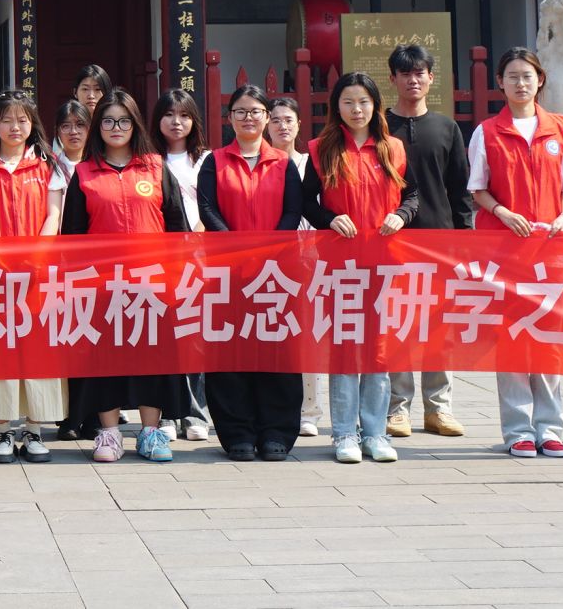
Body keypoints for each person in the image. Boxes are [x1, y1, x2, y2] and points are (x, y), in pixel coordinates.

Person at [62, 89, 193, 464]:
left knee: (152, 358)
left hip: (152, 284)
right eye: (107, 121)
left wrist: (176, 276)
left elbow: (177, 225)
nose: (116, 127)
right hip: (102, 286)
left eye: (123, 120)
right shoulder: (84, 173)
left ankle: (150, 433)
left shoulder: (155, 167)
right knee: (104, 361)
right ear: (98, 127)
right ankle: (109, 433)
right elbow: (72, 236)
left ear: (135, 124)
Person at [468, 46, 563, 458]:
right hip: (505, 250)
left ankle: (549, 427)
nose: (521, 83)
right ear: (500, 82)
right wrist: (502, 213)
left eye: (528, 76)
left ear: (540, 81)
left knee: (549, 338)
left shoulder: (561, 128)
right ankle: (517, 429)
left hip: (551, 250)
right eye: (513, 76)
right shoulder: (487, 132)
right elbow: (477, 189)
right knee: (512, 338)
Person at [197, 87, 315, 462]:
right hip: (227, 272)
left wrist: (269, 250)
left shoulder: (283, 163)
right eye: (240, 111)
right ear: (229, 117)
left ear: (266, 117)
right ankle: (237, 433)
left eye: (255, 111)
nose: (248, 118)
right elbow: (207, 208)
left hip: (275, 273)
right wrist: (235, 247)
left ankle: (276, 432)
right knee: (230, 354)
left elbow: (292, 210)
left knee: (276, 352)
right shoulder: (215, 161)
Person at [311, 71, 419, 465]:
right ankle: (343, 433)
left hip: (384, 264)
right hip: (340, 267)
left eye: (363, 102)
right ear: (336, 107)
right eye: (348, 102)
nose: (356, 110)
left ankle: (374, 432)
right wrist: (328, 218)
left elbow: (413, 194)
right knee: (344, 351)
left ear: (375, 105)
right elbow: (306, 201)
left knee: (378, 350)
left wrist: (401, 215)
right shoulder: (321, 149)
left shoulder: (393, 148)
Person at [0, 90, 66, 463]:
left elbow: (53, 216)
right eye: (6, 120)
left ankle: (35, 430)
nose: (15, 127)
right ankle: (4, 429)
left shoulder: (49, 167)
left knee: (37, 350)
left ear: (32, 123)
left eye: (22, 120)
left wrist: (36, 258)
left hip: (39, 275)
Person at [382, 44, 472, 439]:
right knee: (397, 325)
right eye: (405, 73)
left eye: (419, 73)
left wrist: (466, 241)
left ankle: (439, 408)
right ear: (393, 79)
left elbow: (461, 191)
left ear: (431, 78)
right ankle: (397, 408)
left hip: (440, 241)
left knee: (439, 328)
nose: (412, 80)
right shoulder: (380, 127)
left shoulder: (447, 128)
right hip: (391, 241)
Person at [153, 88, 214, 441]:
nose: (177, 122)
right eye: (169, 114)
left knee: (193, 336)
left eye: (185, 115)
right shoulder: (148, 159)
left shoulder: (206, 160)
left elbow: (212, 204)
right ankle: (166, 413)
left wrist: (198, 234)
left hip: (197, 257)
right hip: (158, 258)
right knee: (162, 337)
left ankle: (195, 414)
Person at [49, 98, 90, 180]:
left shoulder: (100, 165)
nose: (73, 132)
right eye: (66, 126)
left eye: (80, 125)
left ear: (90, 129)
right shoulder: (48, 167)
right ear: (57, 132)